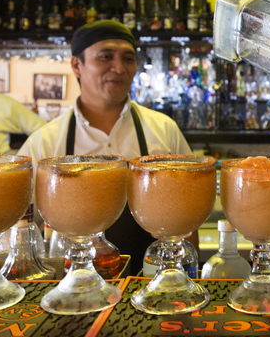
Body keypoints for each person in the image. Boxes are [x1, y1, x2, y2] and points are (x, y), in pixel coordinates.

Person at [18, 20, 192, 270]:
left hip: (152, 287)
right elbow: (20, 226)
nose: (119, 68)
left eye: (128, 58)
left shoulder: (164, 131)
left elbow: (186, 216)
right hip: (73, 291)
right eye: (106, 56)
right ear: (77, 65)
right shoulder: (44, 142)